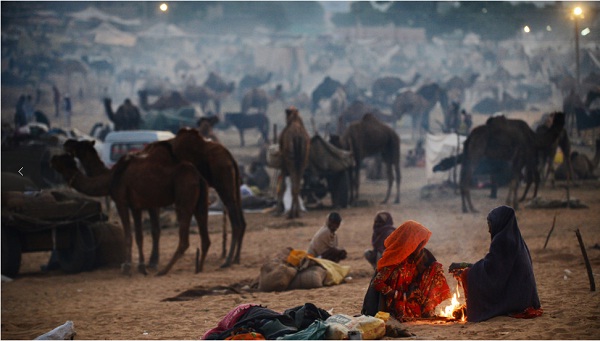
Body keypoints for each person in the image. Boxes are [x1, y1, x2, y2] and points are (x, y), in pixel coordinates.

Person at [449, 205, 542, 322]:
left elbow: (491, 270)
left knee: (470, 276)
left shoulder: (503, 240)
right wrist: (464, 265)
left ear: (499, 222)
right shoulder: (516, 240)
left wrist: (466, 272)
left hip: (517, 299)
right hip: (524, 296)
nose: (489, 230)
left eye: (490, 225)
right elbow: (494, 266)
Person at [363, 220, 451, 320]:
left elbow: (421, 275)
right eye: (418, 242)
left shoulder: (418, 255)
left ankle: (426, 310)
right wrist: (401, 295)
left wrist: (414, 289)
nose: (420, 245)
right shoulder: (394, 256)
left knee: (436, 268)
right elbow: (377, 283)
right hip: (396, 301)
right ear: (410, 241)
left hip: (410, 297)